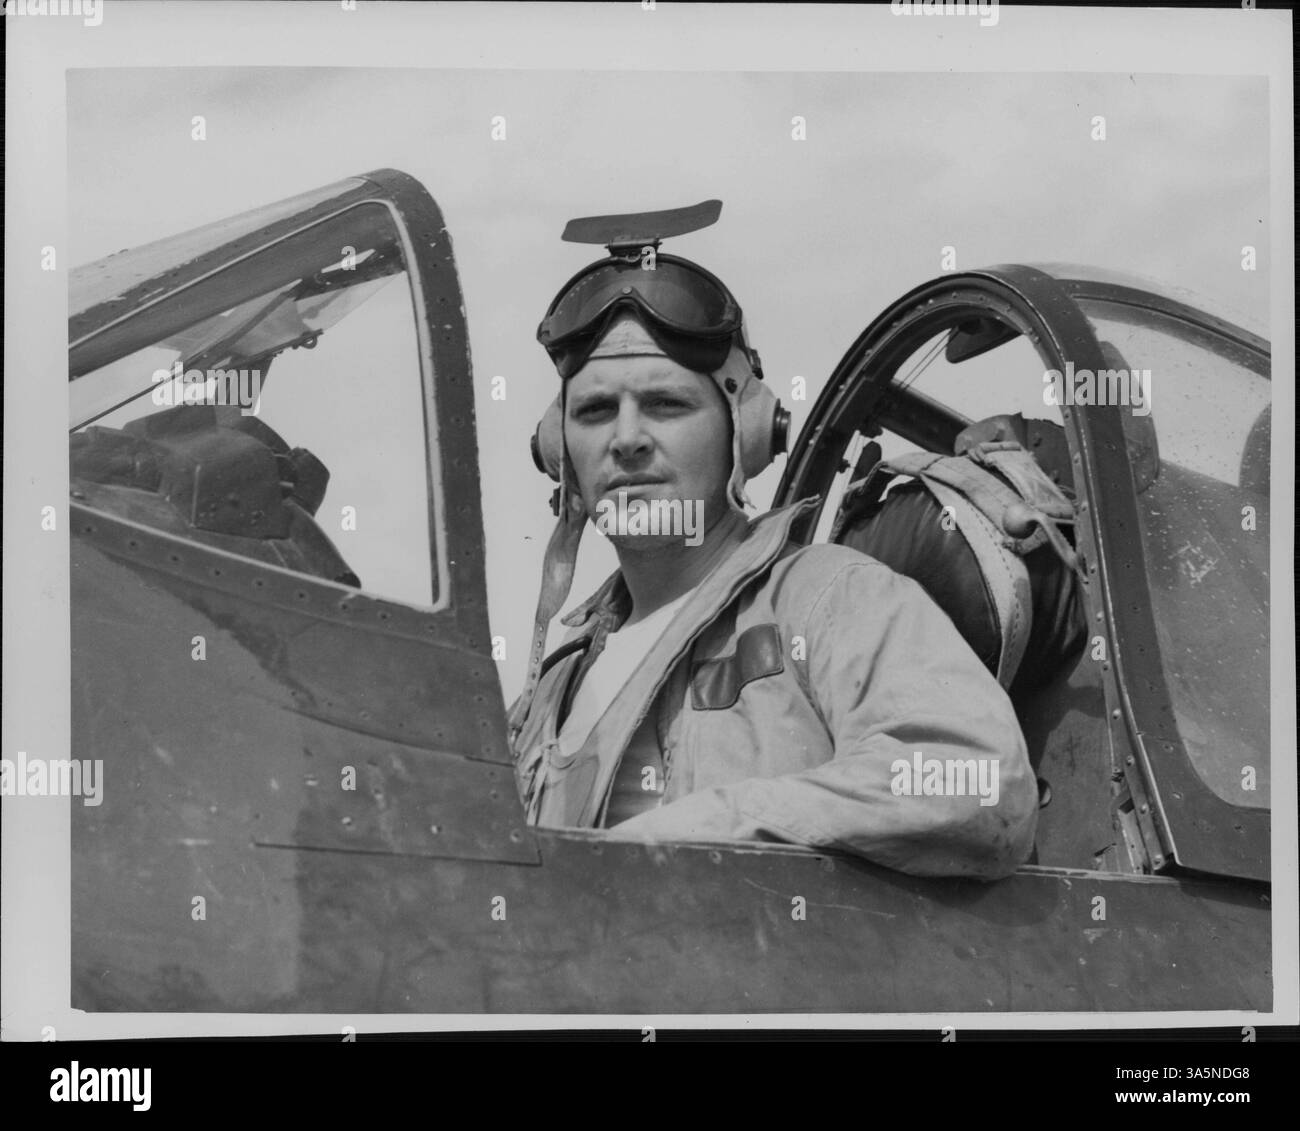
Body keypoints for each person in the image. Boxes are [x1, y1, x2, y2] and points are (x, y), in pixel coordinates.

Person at [507, 210, 1038, 879]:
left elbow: (978, 779)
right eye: (593, 411)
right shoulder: (548, 690)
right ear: (560, 454)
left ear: (746, 432)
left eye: (667, 405)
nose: (628, 438)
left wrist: (709, 829)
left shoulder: (826, 599)